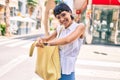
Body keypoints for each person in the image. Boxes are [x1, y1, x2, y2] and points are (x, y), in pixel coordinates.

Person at [36, 3, 85, 80]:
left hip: (68, 72)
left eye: (63, 15)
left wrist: (48, 44)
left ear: (70, 12)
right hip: (54, 69)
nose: (62, 19)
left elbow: (68, 40)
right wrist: (40, 40)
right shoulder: (60, 28)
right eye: (58, 17)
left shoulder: (80, 27)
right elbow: (47, 38)